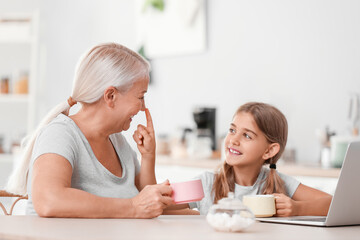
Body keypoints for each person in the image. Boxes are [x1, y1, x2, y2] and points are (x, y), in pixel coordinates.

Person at [5, 42, 174, 218]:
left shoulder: (117, 141)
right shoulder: (60, 134)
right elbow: (48, 200)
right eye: (140, 97)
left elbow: (145, 200)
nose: (142, 107)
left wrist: (148, 157)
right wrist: (133, 207)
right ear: (110, 96)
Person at [169, 102, 332, 216]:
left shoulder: (279, 184)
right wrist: (192, 214)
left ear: (269, 150)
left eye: (247, 135)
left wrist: (297, 208)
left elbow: (334, 204)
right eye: (232, 130)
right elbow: (158, 203)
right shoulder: (206, 184)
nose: (233, 140)